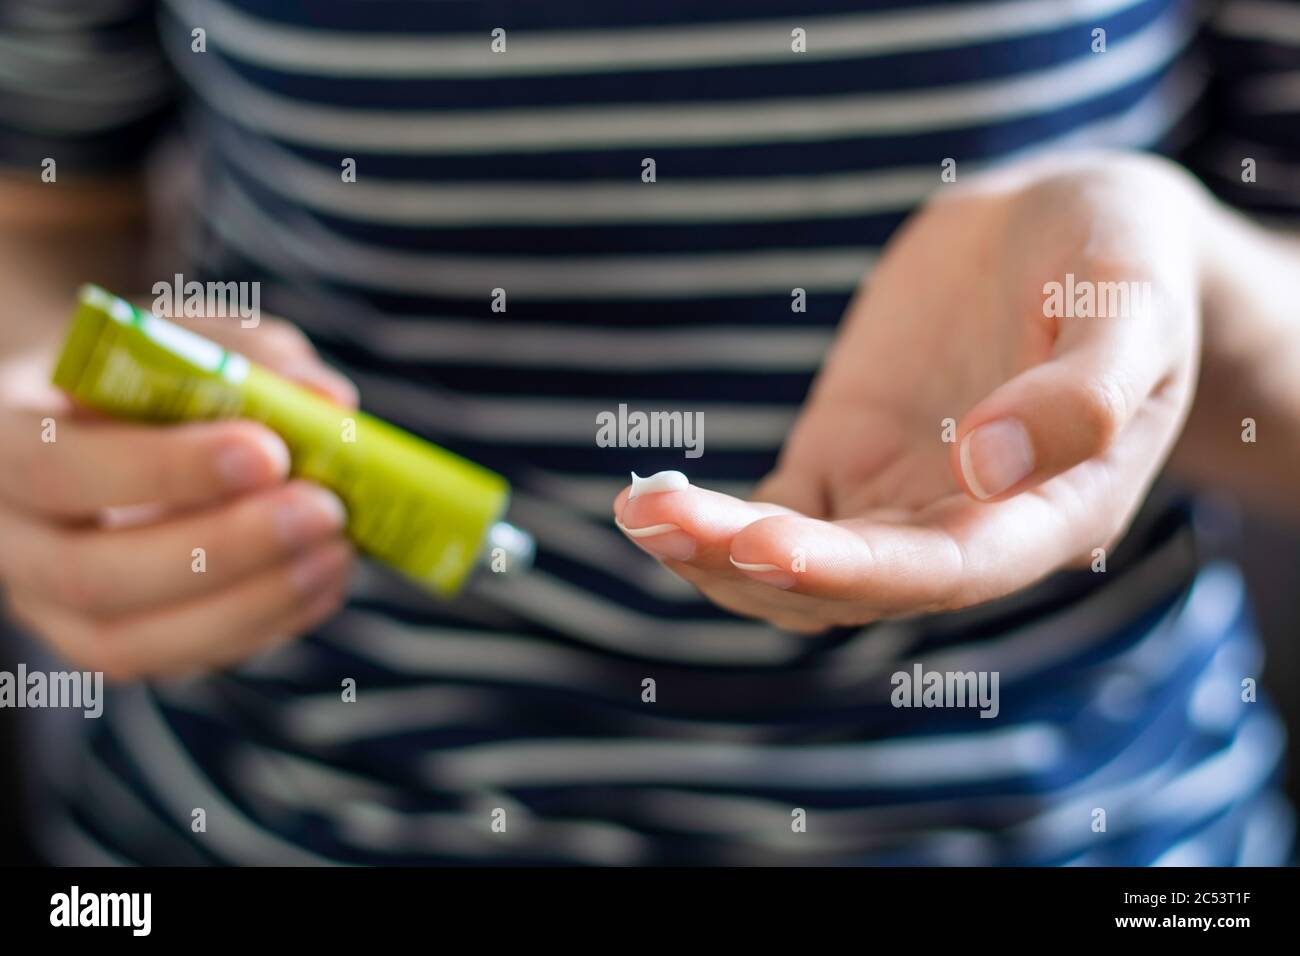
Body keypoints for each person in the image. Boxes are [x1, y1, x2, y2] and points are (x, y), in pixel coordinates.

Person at [0, 0, 1296, 865]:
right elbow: (43, 209)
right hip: (275, 816)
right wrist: (54, 436)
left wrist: (1176, 293)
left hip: (1084, 826)